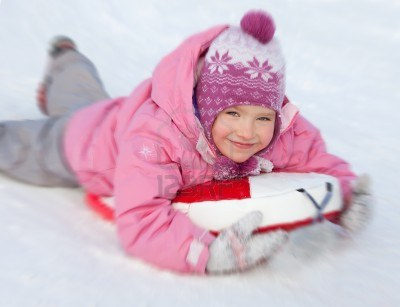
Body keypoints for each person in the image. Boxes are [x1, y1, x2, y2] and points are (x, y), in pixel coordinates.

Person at [0, 10, 372, 275]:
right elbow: (140, 217)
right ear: (206, 109)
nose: (248, 132)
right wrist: (205, 253)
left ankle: (66, 57)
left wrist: (343, 195)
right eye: (232, 114)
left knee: (85, 98)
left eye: (263, 117)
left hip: (113, 114)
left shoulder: (280, 131)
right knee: (19, 145)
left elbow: (318, 160)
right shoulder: (159, 139)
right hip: (82, 145)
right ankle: (67, 61)